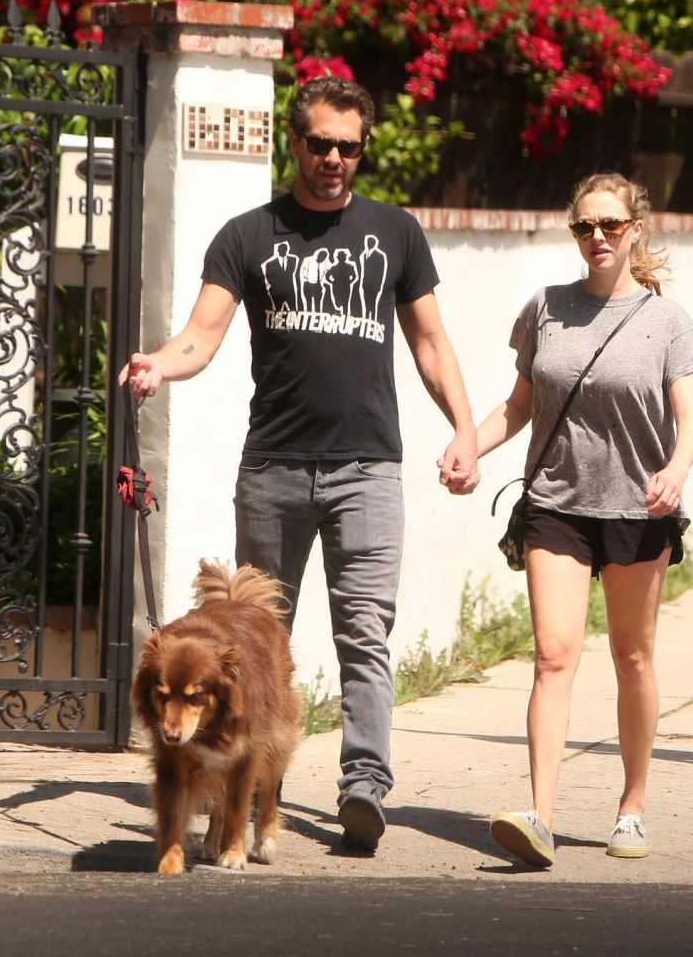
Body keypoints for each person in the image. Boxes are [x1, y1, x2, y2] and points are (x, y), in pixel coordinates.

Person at [120, 76, 479, 853]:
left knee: (364, 633)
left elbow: (428, 342)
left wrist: (464, 430)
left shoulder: (395, 233)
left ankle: (364, 785)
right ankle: (257, 791)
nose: (333, 159)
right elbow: (202, 335)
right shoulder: (248, 235)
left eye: (348, 147)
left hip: (367, 468)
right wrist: (157, 363)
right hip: (275, 469)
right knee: (250, 647)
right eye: (319, 143)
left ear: (362, 149)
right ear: (296, 142)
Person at [477, 172, 693, 868]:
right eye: (585, 226)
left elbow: (690, 417)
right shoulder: (545, 308)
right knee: (553, 654)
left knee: (632, 656)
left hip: (637, 510)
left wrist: (674, 471)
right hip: (556, 503)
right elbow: (518, 405)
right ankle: (540, 816)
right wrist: (470, 441)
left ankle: (632, 806)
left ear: (635, 230)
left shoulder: (667, 322)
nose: (597, 238)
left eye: (610, 225)